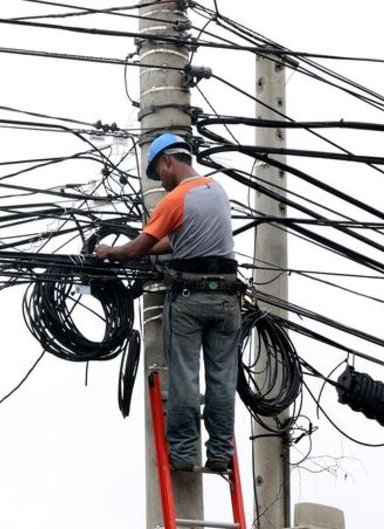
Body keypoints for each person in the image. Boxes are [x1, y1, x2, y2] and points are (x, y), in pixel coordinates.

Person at [95, 133, 241, 472]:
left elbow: (138, 249)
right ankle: (220, 453)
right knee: (221, 381)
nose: (160, 182)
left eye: (158, 174)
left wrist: (109, 252)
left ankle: (183, 453)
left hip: (190, 300)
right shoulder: (217, 191)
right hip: (226, 299)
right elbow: (182, 241)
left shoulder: (174, 201)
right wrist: (147, 248)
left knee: (186, 378)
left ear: (166, 162)